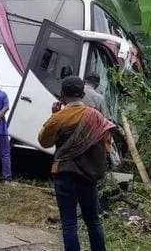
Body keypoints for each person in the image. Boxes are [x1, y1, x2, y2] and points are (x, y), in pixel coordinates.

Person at [38, 76, 114, 251]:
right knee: (93, 220)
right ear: (81, 93)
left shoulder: (59, 117)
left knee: (69, 223)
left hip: (65, 174)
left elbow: (44, 142)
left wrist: (54, 115)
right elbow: (107, 144)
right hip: (88, 176)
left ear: (62, 95)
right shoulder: (96, 116)